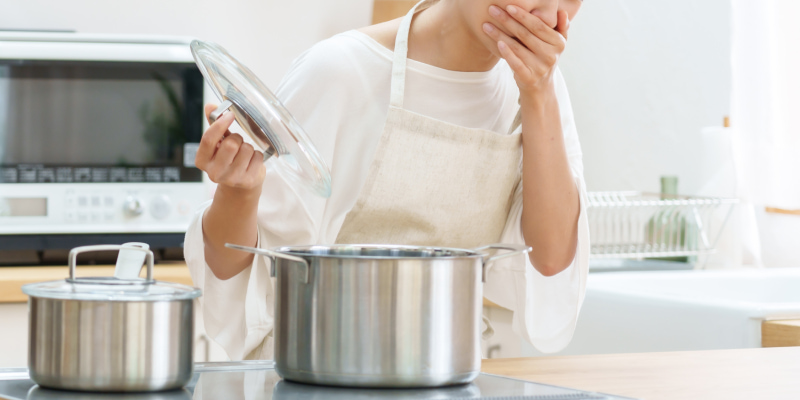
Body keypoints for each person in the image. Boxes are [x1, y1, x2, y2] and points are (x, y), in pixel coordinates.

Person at [185, 0, 589, 360]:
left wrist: (539, 95)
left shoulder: (539, 88)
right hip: (318, 374)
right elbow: (241, 272)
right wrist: (238, 192)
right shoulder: (342, 71)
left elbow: (551, 259)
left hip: (445, 376)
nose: (551, 16)